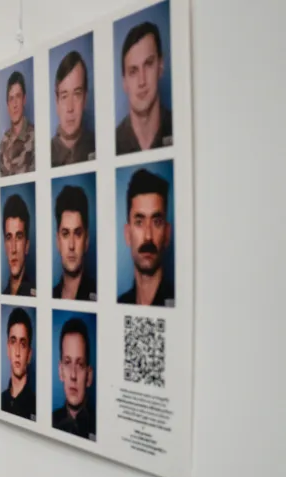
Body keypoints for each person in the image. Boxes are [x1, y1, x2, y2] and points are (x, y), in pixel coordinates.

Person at [118, 168, 173, 306]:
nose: (148, 236)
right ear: (127, 234)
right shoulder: (120, 304)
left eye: (156, 222)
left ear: (167, 233)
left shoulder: (180, 301)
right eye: (139, 222)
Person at [116, 21, 172, 154]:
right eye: (133, 71)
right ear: (124, 82)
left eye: (148, 64)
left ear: (161, 66)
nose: (142, 81)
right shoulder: (112, 143)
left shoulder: (180, 127)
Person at [52, 317, 95, 440]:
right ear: (60, 371)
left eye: (80, 364)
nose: (73, 375)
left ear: (89, 376)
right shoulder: (50, 420)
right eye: (67, 362)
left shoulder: (100, 425)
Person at [52, 50, 95, 167]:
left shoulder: (98, 145)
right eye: (64, 96)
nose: (70, 108)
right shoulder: (43, 155)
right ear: (57, 102)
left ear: (85, 98)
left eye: (77, 94)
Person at [53, 185, 96, 301]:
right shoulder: (50, 295)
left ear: (86, 240)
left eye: (77, 233)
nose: (71, 245)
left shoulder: (99, 295)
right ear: (58, 241)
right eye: (65, 234)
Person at [1, 307, 35, 420]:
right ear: (7, 348)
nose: (17, 352)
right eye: (13, 342)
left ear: (29, 354)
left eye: (23, 344)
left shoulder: (36, 407)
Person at [0, 70, 35, 176]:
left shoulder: (35, 137)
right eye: (11, 99)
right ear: (7, 105)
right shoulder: (3, 142)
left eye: (18, 97)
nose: (14, 104)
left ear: (24, 99)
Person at [2, 194, 35, 296]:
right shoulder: (2, 294)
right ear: (4, 246)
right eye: (9, 237)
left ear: (27, 245)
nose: (13, 248)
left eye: (19, 237)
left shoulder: (35, 294)